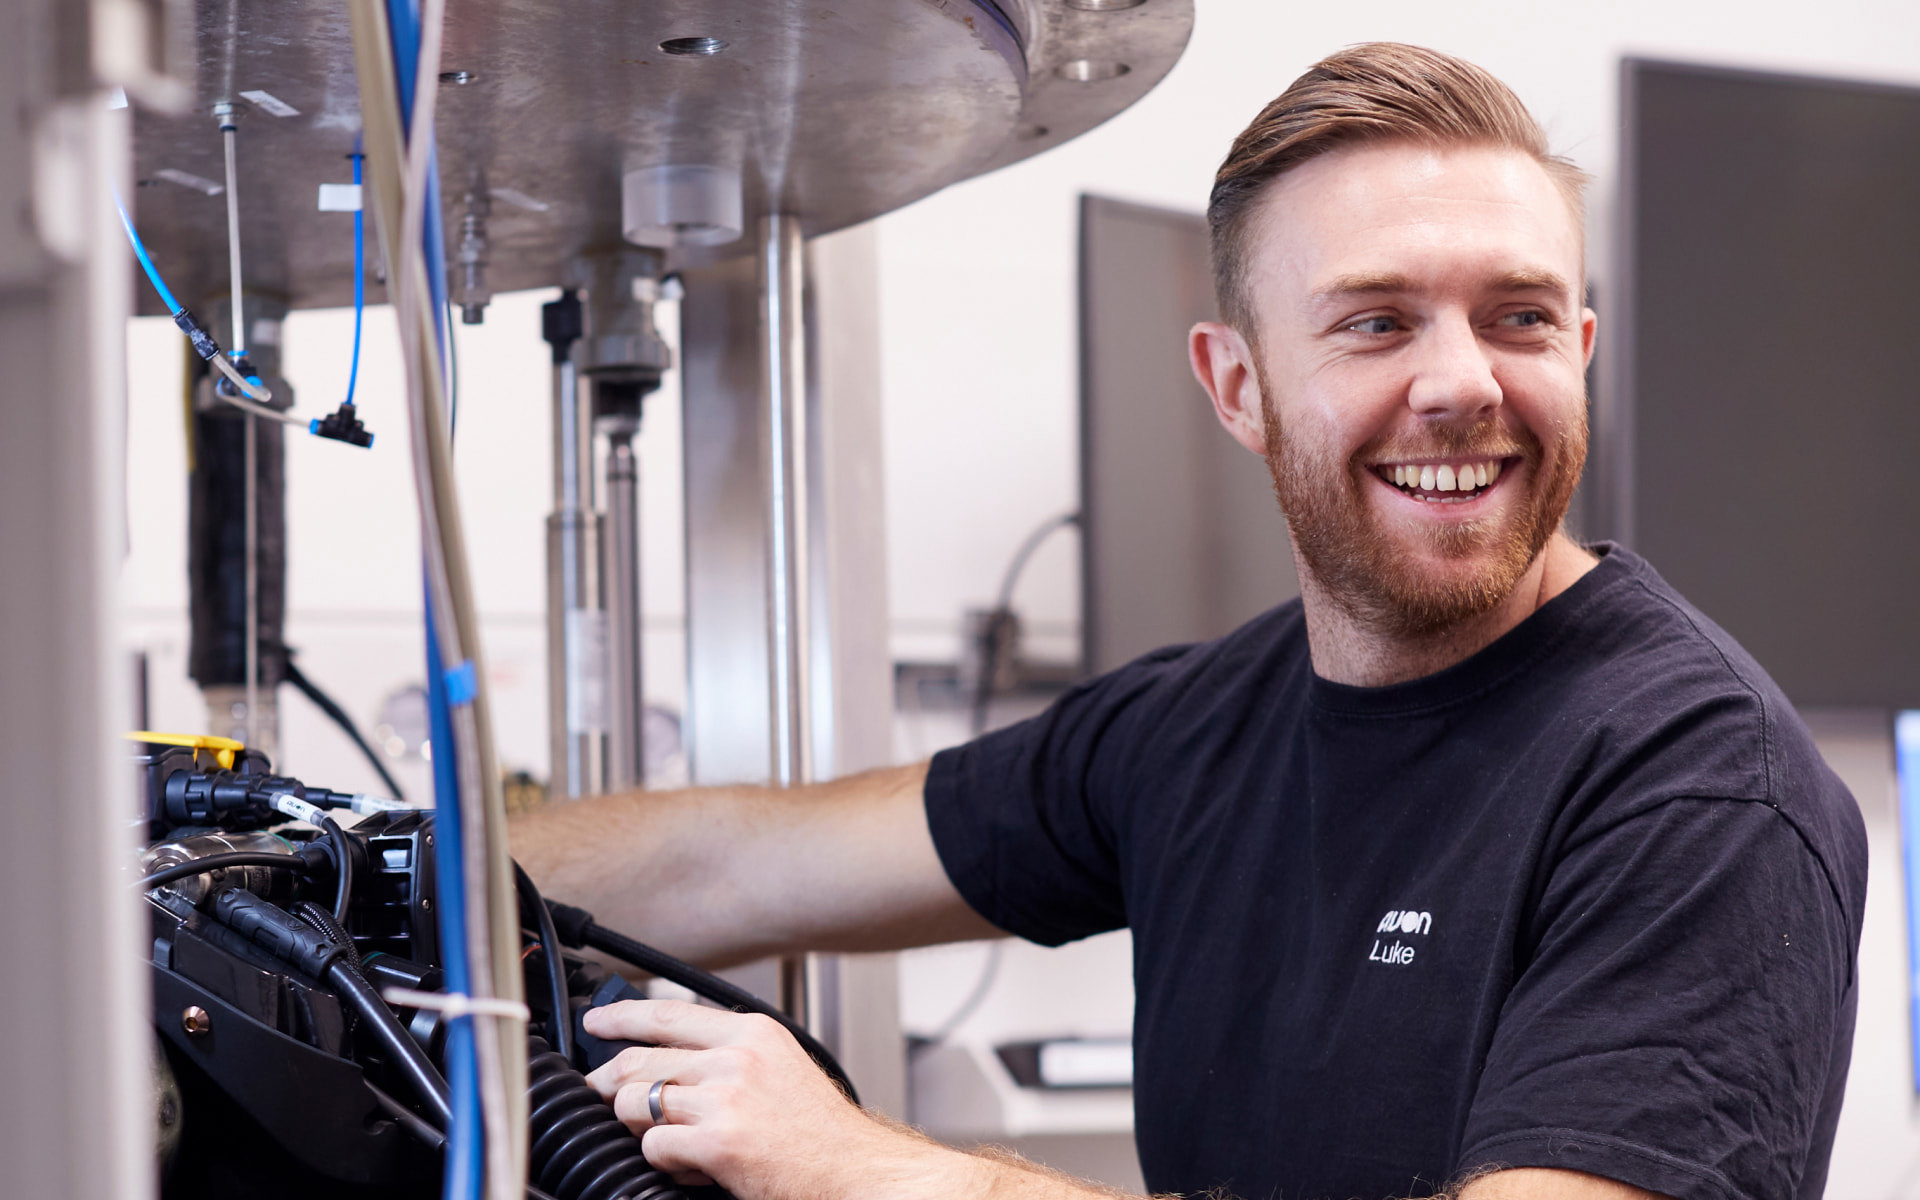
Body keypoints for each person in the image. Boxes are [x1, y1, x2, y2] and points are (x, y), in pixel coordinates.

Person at [511, 43, 1866, 1200]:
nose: (1460, 383)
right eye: (1377, 323)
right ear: (1237, 384)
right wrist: (343, 867)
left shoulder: (1702, 785)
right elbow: (736, 865)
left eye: (1515, 317)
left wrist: (879, 1169)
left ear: (1577, 351)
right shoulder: (1193, 728)